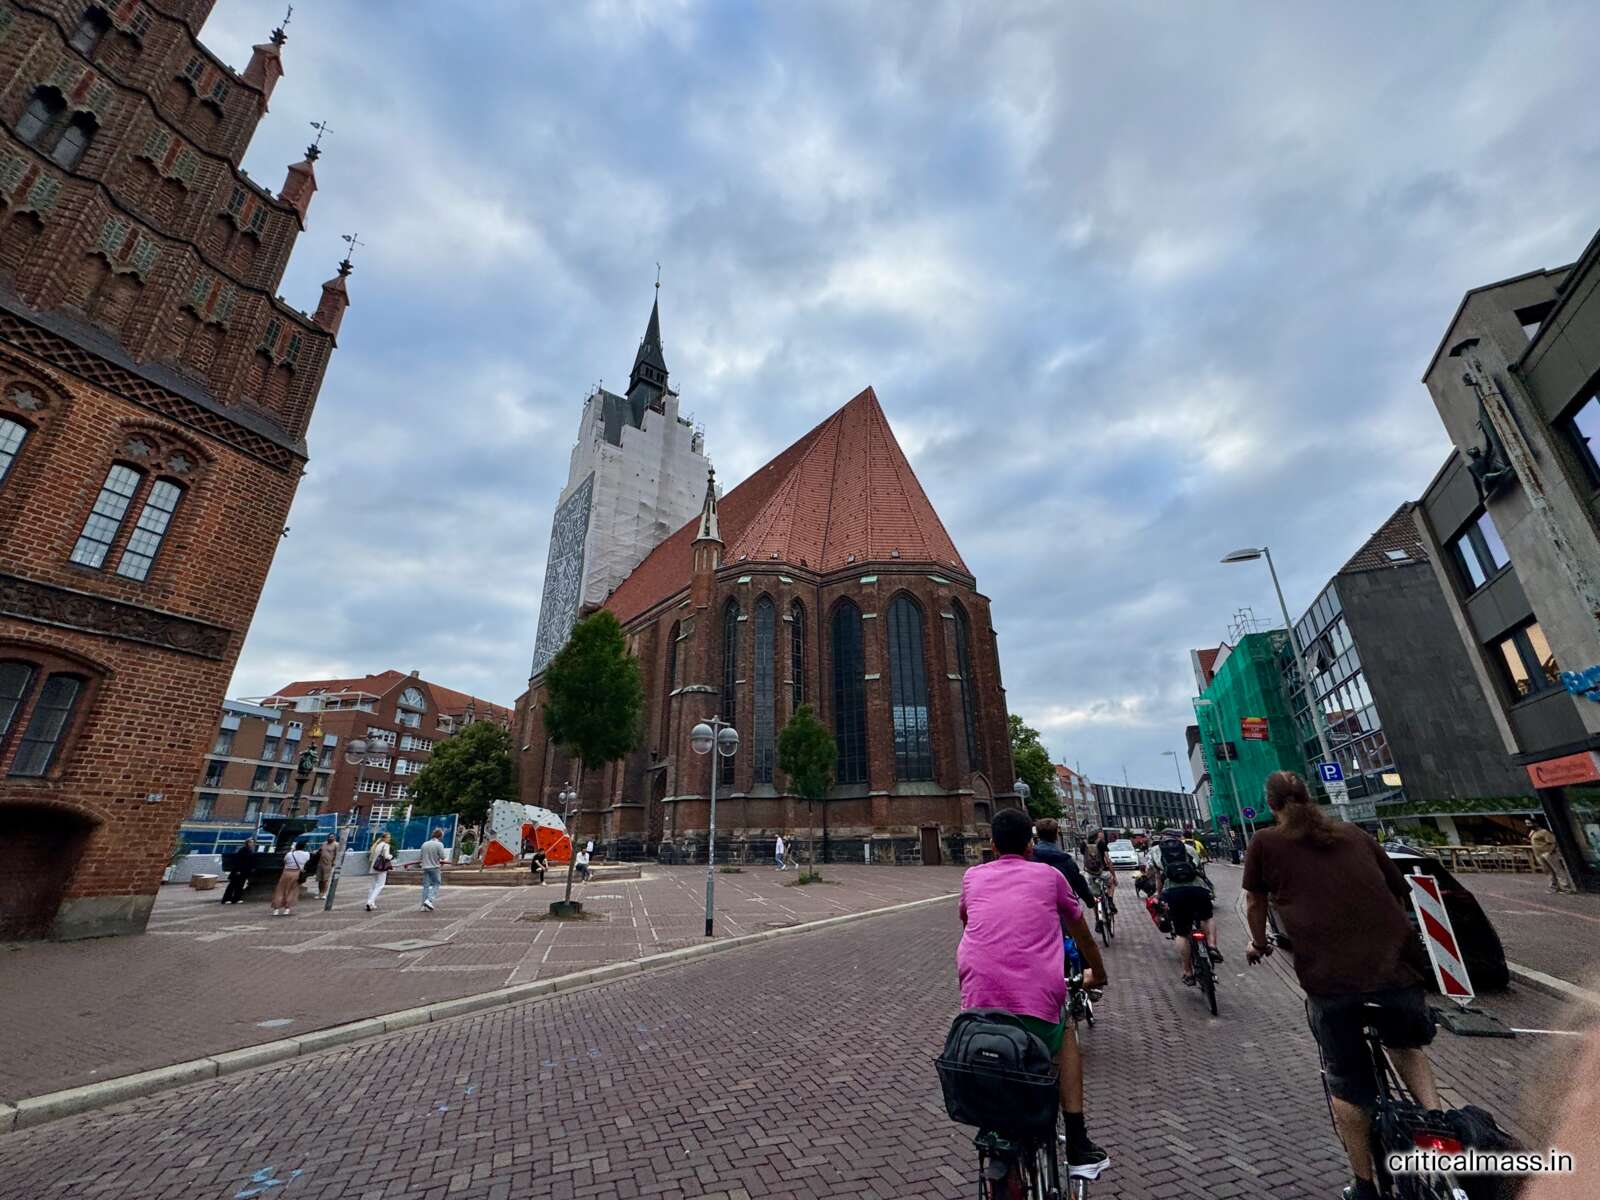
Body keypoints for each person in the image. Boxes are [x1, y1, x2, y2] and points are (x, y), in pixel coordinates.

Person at [1243, 771, 1442, 1200]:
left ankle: (1364, 1184)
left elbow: (1255, 901)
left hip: (1332, 983)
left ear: (1272, 806)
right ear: (1310, 798)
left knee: (1347, 1082)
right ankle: (1440, 1130)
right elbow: (1398, 890)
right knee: (1407, 1047)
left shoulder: (1265, 842)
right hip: (1395, 970)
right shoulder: (1353, 833)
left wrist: (1258, 943)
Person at [957, 808, 1110, 1178]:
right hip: (1037, 1003)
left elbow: (967, 921)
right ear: (1030, 845)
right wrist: (1098, 974)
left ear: (992, 845)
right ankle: (1077, 1139)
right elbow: (1082, 933)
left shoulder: (972, 876)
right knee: (1067, 1031)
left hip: (976, 1010)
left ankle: (993, 1124)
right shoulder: (1049, 875)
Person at [1151, 827, 1220, 985]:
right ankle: (1212, 946)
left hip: (1174, 893)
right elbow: (1199, 868)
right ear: (1178, 838)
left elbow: (1158, 877)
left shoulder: (1156, 851)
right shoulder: (1189, 848)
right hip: (1198, 889)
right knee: (1207, 917)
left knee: (1182, 933)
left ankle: (1188, 972)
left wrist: (1159, 895)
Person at [1032, 818, 1096, 911]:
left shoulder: (1029, 857)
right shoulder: (1065, 859)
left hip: (1036, 908)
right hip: (1062, 908)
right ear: (1056, 835)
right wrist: (1090, 902)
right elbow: (1079, 884)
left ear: (1037, 834)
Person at [1528, 822, 1572, 893]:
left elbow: (1552, 842)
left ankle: (1566, 887)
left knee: (1557, 869)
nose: (1528, 825)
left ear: (1535, 823)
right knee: (1548, 871)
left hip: (1547, 853)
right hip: (1538, 854)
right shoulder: (1532, 832)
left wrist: (1550, 851)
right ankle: (1553, 887)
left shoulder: (1544, 832)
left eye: (1529, 823)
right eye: (1527, 823)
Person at [272, 840, 310, 916]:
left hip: (286, 872)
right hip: (297, 873)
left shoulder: (289, 854)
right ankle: (287, 909)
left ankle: (276, 909)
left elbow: (285, 861)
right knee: (292, 891)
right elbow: (307, 861)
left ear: (296, 846)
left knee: (280, 890)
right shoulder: (306, 854)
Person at [1081, 831, 1116, 913]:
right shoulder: (1101, 843)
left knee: (1094, 895)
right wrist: (1114, 876)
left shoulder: (1083, 844)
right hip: (1101, 872)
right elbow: (1108, 860)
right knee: (1111, 883)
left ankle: (1097, 917)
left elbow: (1084, 856)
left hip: (1089, 873)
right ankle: (1110, 901)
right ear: (1097, 835)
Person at [221, 837, 256, 905]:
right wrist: (238, 870)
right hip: (239, 871)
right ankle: (226, 899)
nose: (251, 844)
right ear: (247, 843)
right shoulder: (243, 850)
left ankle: (236, 899)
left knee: (240, 885)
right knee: (233, 885)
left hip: (244, 871)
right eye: (250, 842)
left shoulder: (249, 850)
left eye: (252, 842)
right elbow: (238, 861)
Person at [419, 827, 446, 911]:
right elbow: (442, 856)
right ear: (440, 836)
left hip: (425, 866)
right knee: (437, 883)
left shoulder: (424, 844)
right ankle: (429, 900)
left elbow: (421, 856)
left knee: (426, 886)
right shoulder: (439, 844)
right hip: (434, 866)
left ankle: (423, 905)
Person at [366, 831, 393, 911]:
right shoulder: (386, 845)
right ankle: (370, 902)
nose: (389, 839)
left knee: (373, 885)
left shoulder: (378, 845)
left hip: (374, 866)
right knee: (380, 885)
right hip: (381, 867)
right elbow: (386, 856)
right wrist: (391, 856)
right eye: (388, 837)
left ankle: (371, 902)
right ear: (384, 838)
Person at [315, 834, 338, 900]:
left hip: (328, 864)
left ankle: (324, 894)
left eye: (332, 837)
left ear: (334, 838)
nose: (330, 838)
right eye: (329, 837)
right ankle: (320, 893)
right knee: (319, 879)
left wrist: (333, 863)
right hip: (320, 863)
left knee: (325, 880)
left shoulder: (336, 844)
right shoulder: (324, 843)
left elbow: (337, 854)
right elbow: (319, 851)